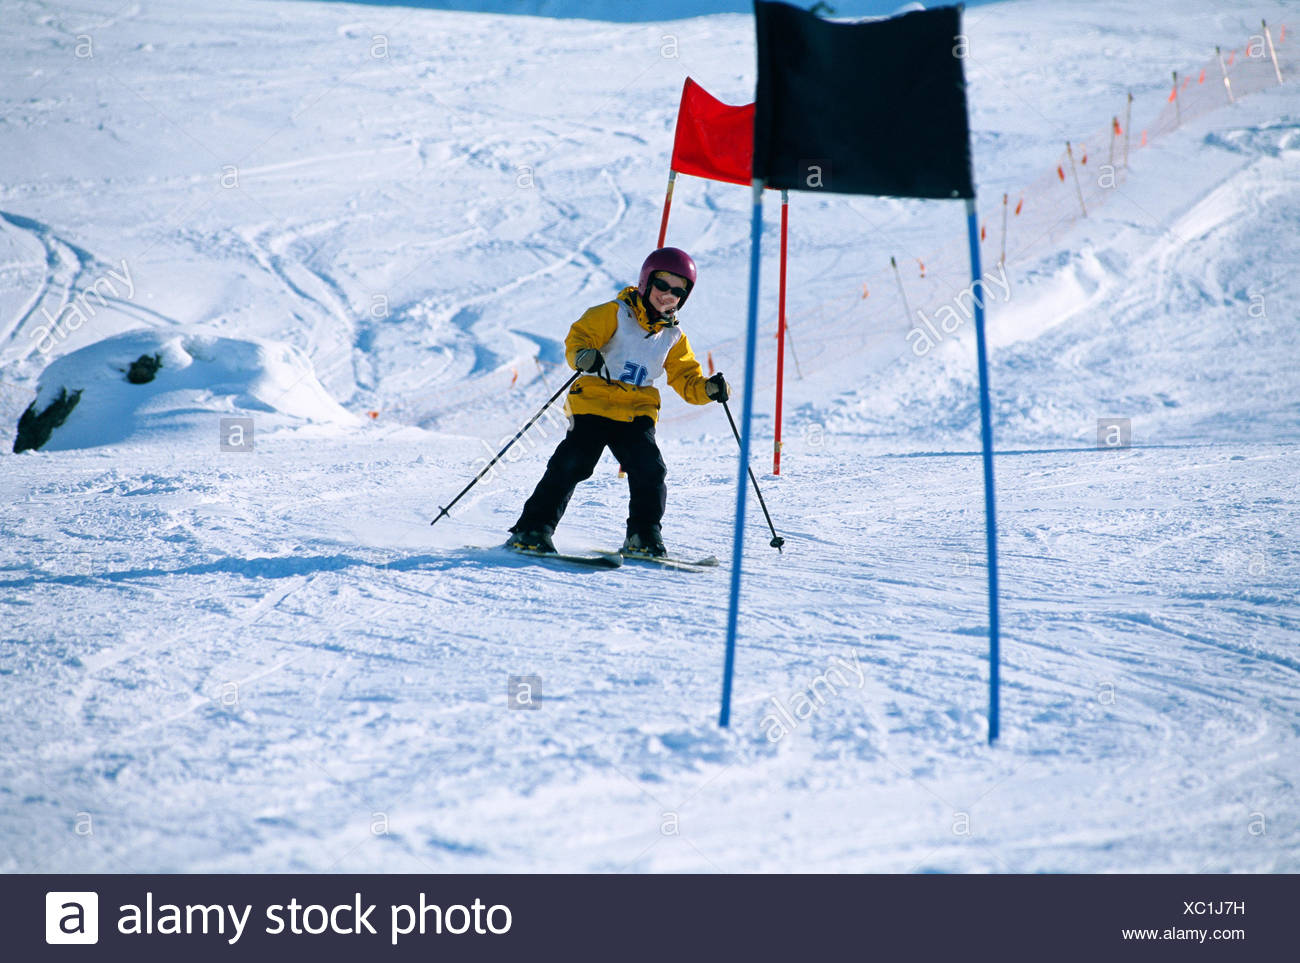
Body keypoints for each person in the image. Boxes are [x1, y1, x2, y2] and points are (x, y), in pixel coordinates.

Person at [507, 247, 729, 558]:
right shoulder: (614, 313)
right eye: (663, 285)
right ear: (645, 283)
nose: (668, 295)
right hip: (594, 404)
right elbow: (579, 338)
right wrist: (583, 356)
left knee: (650, 471)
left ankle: (643, 535)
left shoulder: (673, 338)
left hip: (637, 413)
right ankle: (532, 529)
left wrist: (708, 389)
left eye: (678, 291)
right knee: (573, 463)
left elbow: (687, 381)